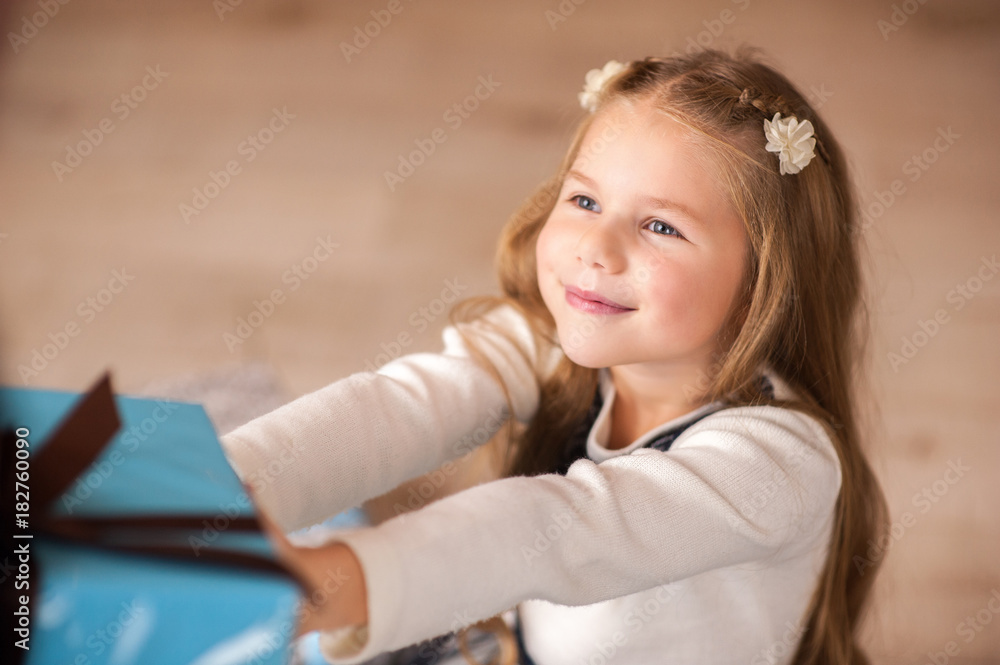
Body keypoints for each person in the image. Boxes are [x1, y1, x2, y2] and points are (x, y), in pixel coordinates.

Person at [220, 47, 888, 665]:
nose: (596, 246)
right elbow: (398, 407)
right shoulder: (557, 342)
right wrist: (220, 483)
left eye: (661, 226)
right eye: (585, 199)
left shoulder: (780, 466)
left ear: (762, 284)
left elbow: (560, 526)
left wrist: (340, 582)